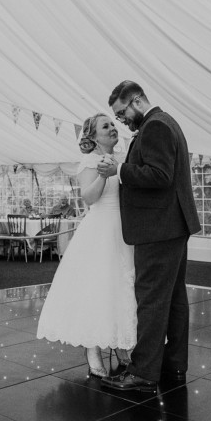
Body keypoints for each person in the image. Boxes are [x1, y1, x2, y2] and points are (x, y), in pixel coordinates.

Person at [97, 80, 200, 393]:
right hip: (172, 226)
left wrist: (120, 170)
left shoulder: (155, 126)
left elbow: (160, 175)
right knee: (174, 301)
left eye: (122, 113)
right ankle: (173, 366)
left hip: (158, 228)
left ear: (136, 100)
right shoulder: (166, 122)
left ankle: (143, 373)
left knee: (152, 301)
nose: (122, 120)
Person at [37, 114, 136, 378]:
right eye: (106, 126)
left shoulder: (124, 158)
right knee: (98, 288)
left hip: (124, 229)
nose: (113, 129)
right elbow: (89, 198)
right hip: (100, 228)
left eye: (114, 125)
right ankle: (93, 348)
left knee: (121, 286)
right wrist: (104, 175)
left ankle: (121, 343)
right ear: (92, 137)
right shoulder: (89, 162)